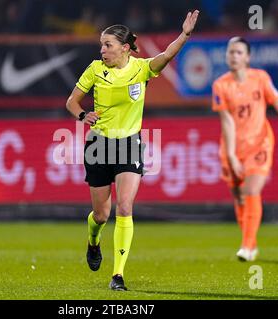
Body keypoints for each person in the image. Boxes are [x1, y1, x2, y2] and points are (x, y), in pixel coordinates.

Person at [66, 11, 200, 290]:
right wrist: (82, 116)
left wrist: (185, 35)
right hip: (98, 145)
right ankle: (93, 241)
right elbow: (72, 102)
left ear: (125, 48)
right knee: (101, 215)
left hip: (129, 144)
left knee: (125, 207)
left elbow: (167, 55)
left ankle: (117, 275)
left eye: (108, 45)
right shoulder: (94, 70)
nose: (102, 50)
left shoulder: (141, 68)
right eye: (102, 45)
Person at [212, 37, 278, 262]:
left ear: (247, 57)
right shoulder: (221, 84)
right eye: (230, 52)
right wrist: (232, 155)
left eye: (238, 52)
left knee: (251, 190)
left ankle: (246, 246)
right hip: (233, 147)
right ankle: (251, 243)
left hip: (260, 143)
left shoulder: (261, 78)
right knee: (239, 198)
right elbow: (226, 121)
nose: (233, 56)